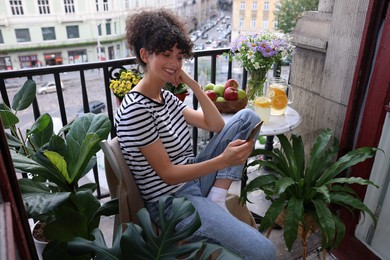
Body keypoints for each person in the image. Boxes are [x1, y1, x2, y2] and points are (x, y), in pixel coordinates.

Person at [115, 8, 276, 259]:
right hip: (171, 202)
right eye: (166, 55)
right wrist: (224, 160)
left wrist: (191, 84)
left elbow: (215, 125)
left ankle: (217, 198)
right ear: (144, 55)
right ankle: (212, 203)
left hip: (191, 180)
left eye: (179, 57)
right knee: (265, 252)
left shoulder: (164, 97)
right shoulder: (137, 109)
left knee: (248, 117)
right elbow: (168, 175)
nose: (174, 63)